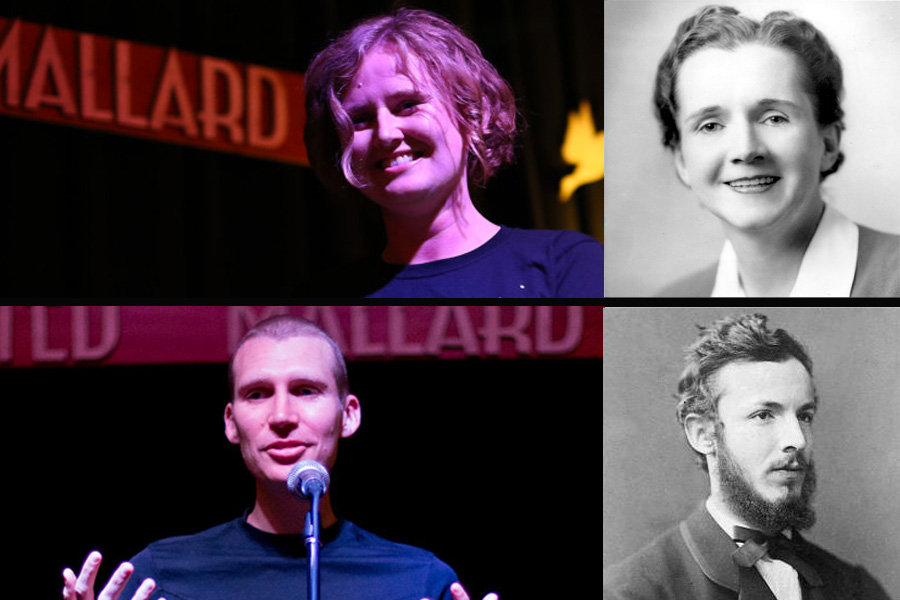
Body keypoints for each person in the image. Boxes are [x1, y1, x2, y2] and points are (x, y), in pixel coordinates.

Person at [61, 315, 498, 600]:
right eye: (258, 394)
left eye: (306, 391)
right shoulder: (160, 576)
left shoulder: (417, 579)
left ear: (348, 415)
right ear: (232, 423)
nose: (283, 416)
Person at [303, 8, 605, 298]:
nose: (385, 133)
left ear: (472, 115)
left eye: (407, 104)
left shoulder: (563, 264)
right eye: (359, 119)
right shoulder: (329, 300)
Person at [603, 313, 893, 599]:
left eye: (804, 415)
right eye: (764, 415)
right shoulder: (631, 592)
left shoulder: (856, 588)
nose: (797, 439)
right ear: (704, 434)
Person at [653, 5, 899, 297]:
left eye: (774, 118)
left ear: (829, 144)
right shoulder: (671, 300)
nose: (745, 150)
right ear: (681, 159)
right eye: (710, 126)